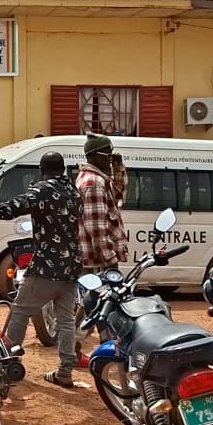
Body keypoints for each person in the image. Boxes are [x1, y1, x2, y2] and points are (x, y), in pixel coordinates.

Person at [0, 151, 82, 388]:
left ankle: (6, 362)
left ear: (42, 170)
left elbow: (17, 205)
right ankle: (65, 371)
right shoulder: (74, 192)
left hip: (47, 266)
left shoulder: (43, 190)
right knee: (65, 320)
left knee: (20, 310)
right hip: (71, 266)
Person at [75, 133, 128, 344]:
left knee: (91, 304)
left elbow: (119, 194)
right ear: (95, 156)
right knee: (102, 306)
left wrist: (118, 168)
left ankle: (73, 347)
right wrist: (110, 260)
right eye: (107, 155)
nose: (109, 158)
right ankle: (107, 346)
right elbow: (96, 227)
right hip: (97, 260)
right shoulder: (93, 183)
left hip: (95, 259)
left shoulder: (97, 179)